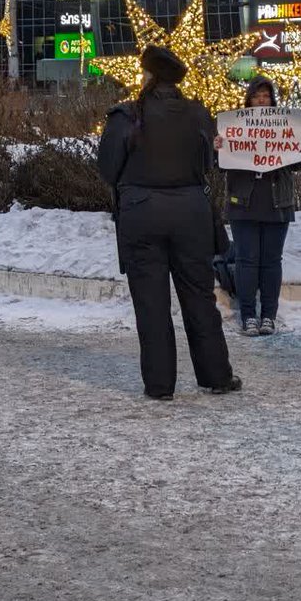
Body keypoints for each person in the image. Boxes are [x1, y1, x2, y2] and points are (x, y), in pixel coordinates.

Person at [97, 46, 241, 401]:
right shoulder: (197, 115)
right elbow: (209, 162)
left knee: (151, 303)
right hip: (191, 215)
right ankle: (216, 376)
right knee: (199, 298)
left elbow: (107, 169)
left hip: (142, 215)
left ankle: (160, 385)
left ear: (147, 76)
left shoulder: (127, 116)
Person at [213, 76, 301, 337]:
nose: (261, 101)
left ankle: (269, 315)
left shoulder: (285, 125)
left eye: (266, 96)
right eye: (257, 96)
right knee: (246, 261)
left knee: (271, 261)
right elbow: (220, 164)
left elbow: (298, 164)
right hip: (243, 204)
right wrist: (217, 149)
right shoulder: (233, 126)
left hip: (277, 203)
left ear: (272, 99)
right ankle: (248, 316)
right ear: (248, 99)